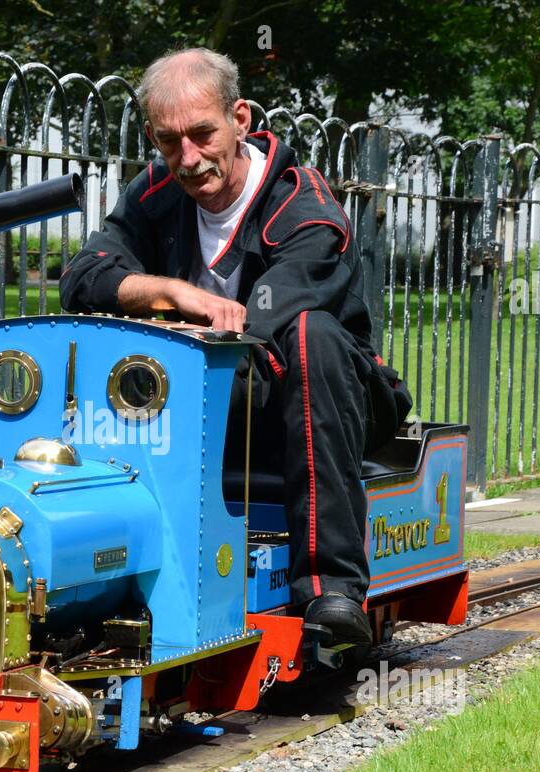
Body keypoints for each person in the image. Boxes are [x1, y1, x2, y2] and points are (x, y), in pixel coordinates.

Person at [59, 48, 412, 653]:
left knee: (309, 334)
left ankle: (333, 590)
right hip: (215, 402)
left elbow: (277, 315)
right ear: (153, 137)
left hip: (328, 399)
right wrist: (169, 291)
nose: (189, 158)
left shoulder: (305, 202)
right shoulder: (153, 193)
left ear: (241, 119)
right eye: (170, 142)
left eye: (202, 134)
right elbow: (84, 275)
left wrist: (206, 322)